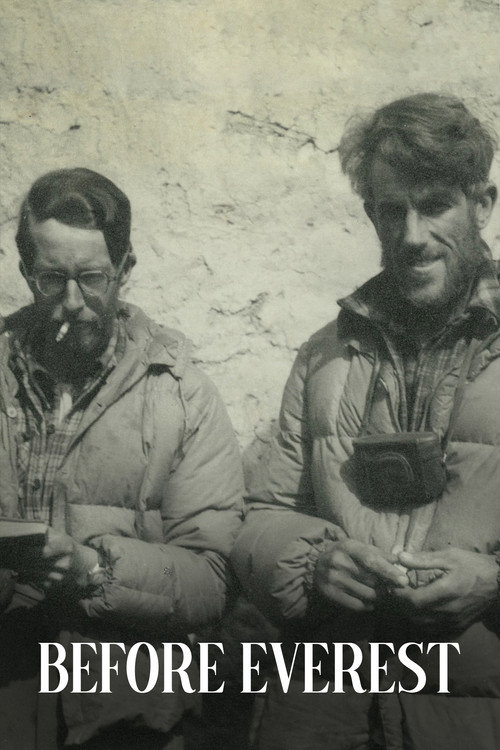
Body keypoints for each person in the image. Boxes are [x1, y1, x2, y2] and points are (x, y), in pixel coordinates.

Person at [231, 93, 500, 749]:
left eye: (434, 205)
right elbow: (263, 515)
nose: (411, 236)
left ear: (483, 204)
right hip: (323, 702)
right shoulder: (323, 355)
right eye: (390, 210)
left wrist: (493, 584)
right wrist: (312, 561)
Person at [0, 168, 243, 749]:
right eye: (52, 279)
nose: (72, 303)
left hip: (126, 708)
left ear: (125, 269)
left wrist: (92, 569)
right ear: (25, 272)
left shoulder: (181, 396)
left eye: (91, 279)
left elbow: (212, 579)